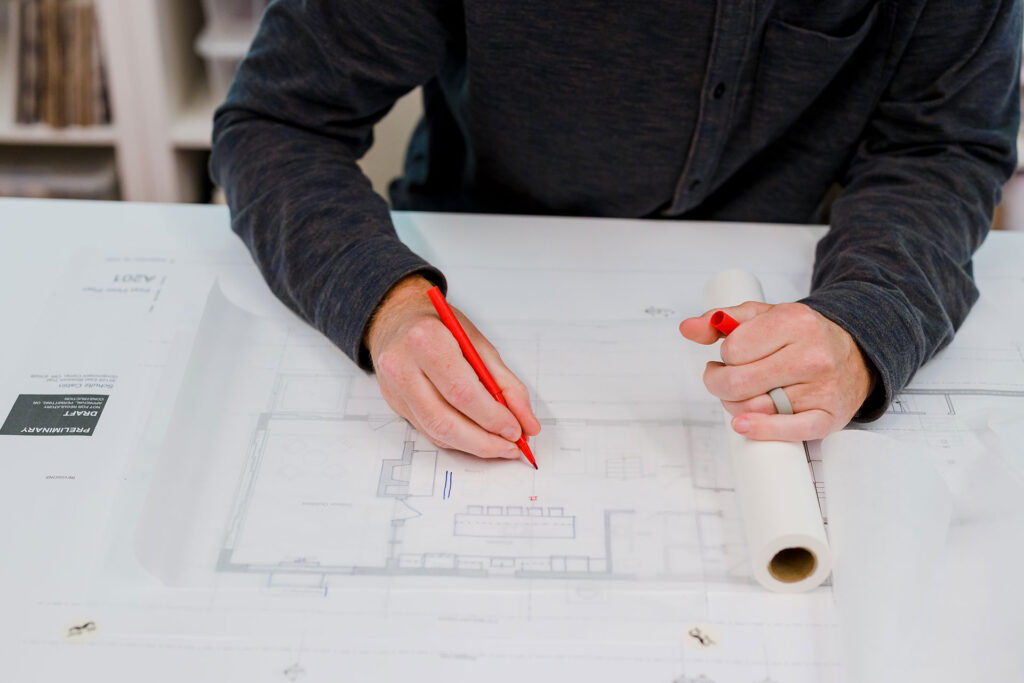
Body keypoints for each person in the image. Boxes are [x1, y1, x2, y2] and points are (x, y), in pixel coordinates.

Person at [210, 1, 1021, 459]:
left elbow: (942, 143)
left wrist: (870, 314)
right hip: (481, 261)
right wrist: (384, 303)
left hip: (783, 291)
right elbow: (278, 122)